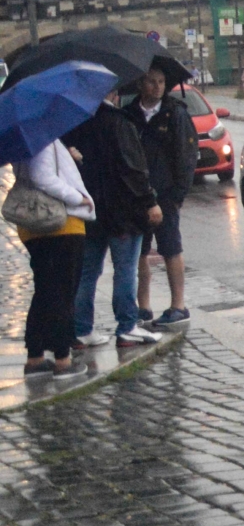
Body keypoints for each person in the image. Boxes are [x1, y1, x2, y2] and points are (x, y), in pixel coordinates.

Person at [65, 96, 161, 351]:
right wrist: (150, 201)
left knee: (87, 272)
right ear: (111, 94)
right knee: (125, 270)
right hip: (123, 212)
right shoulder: (119, 123)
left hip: (89, 211)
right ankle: (127, 327)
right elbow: (133, 169)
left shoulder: (74, 124)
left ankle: (81, 329)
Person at [9, 136, 92, 377]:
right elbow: (42, 178)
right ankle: (62, 359)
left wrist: (66, 155)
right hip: (60, 224)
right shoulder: (42, 141)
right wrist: (79, 198)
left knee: (45, 291)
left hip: (35, 226)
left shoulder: (22, 143)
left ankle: (35, 357)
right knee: (62, 292)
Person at [126, 67, 194, 328]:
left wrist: (177, 194)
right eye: (151, 82)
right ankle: (143, 306)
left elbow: (186, 157)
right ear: (141, 84)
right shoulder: (130, 114)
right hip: (137, 194)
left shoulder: (175, 114)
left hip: (166, 195)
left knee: (171, 248)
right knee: (139, 252)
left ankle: (178, 304)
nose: (156, 87)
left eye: (161, 82)